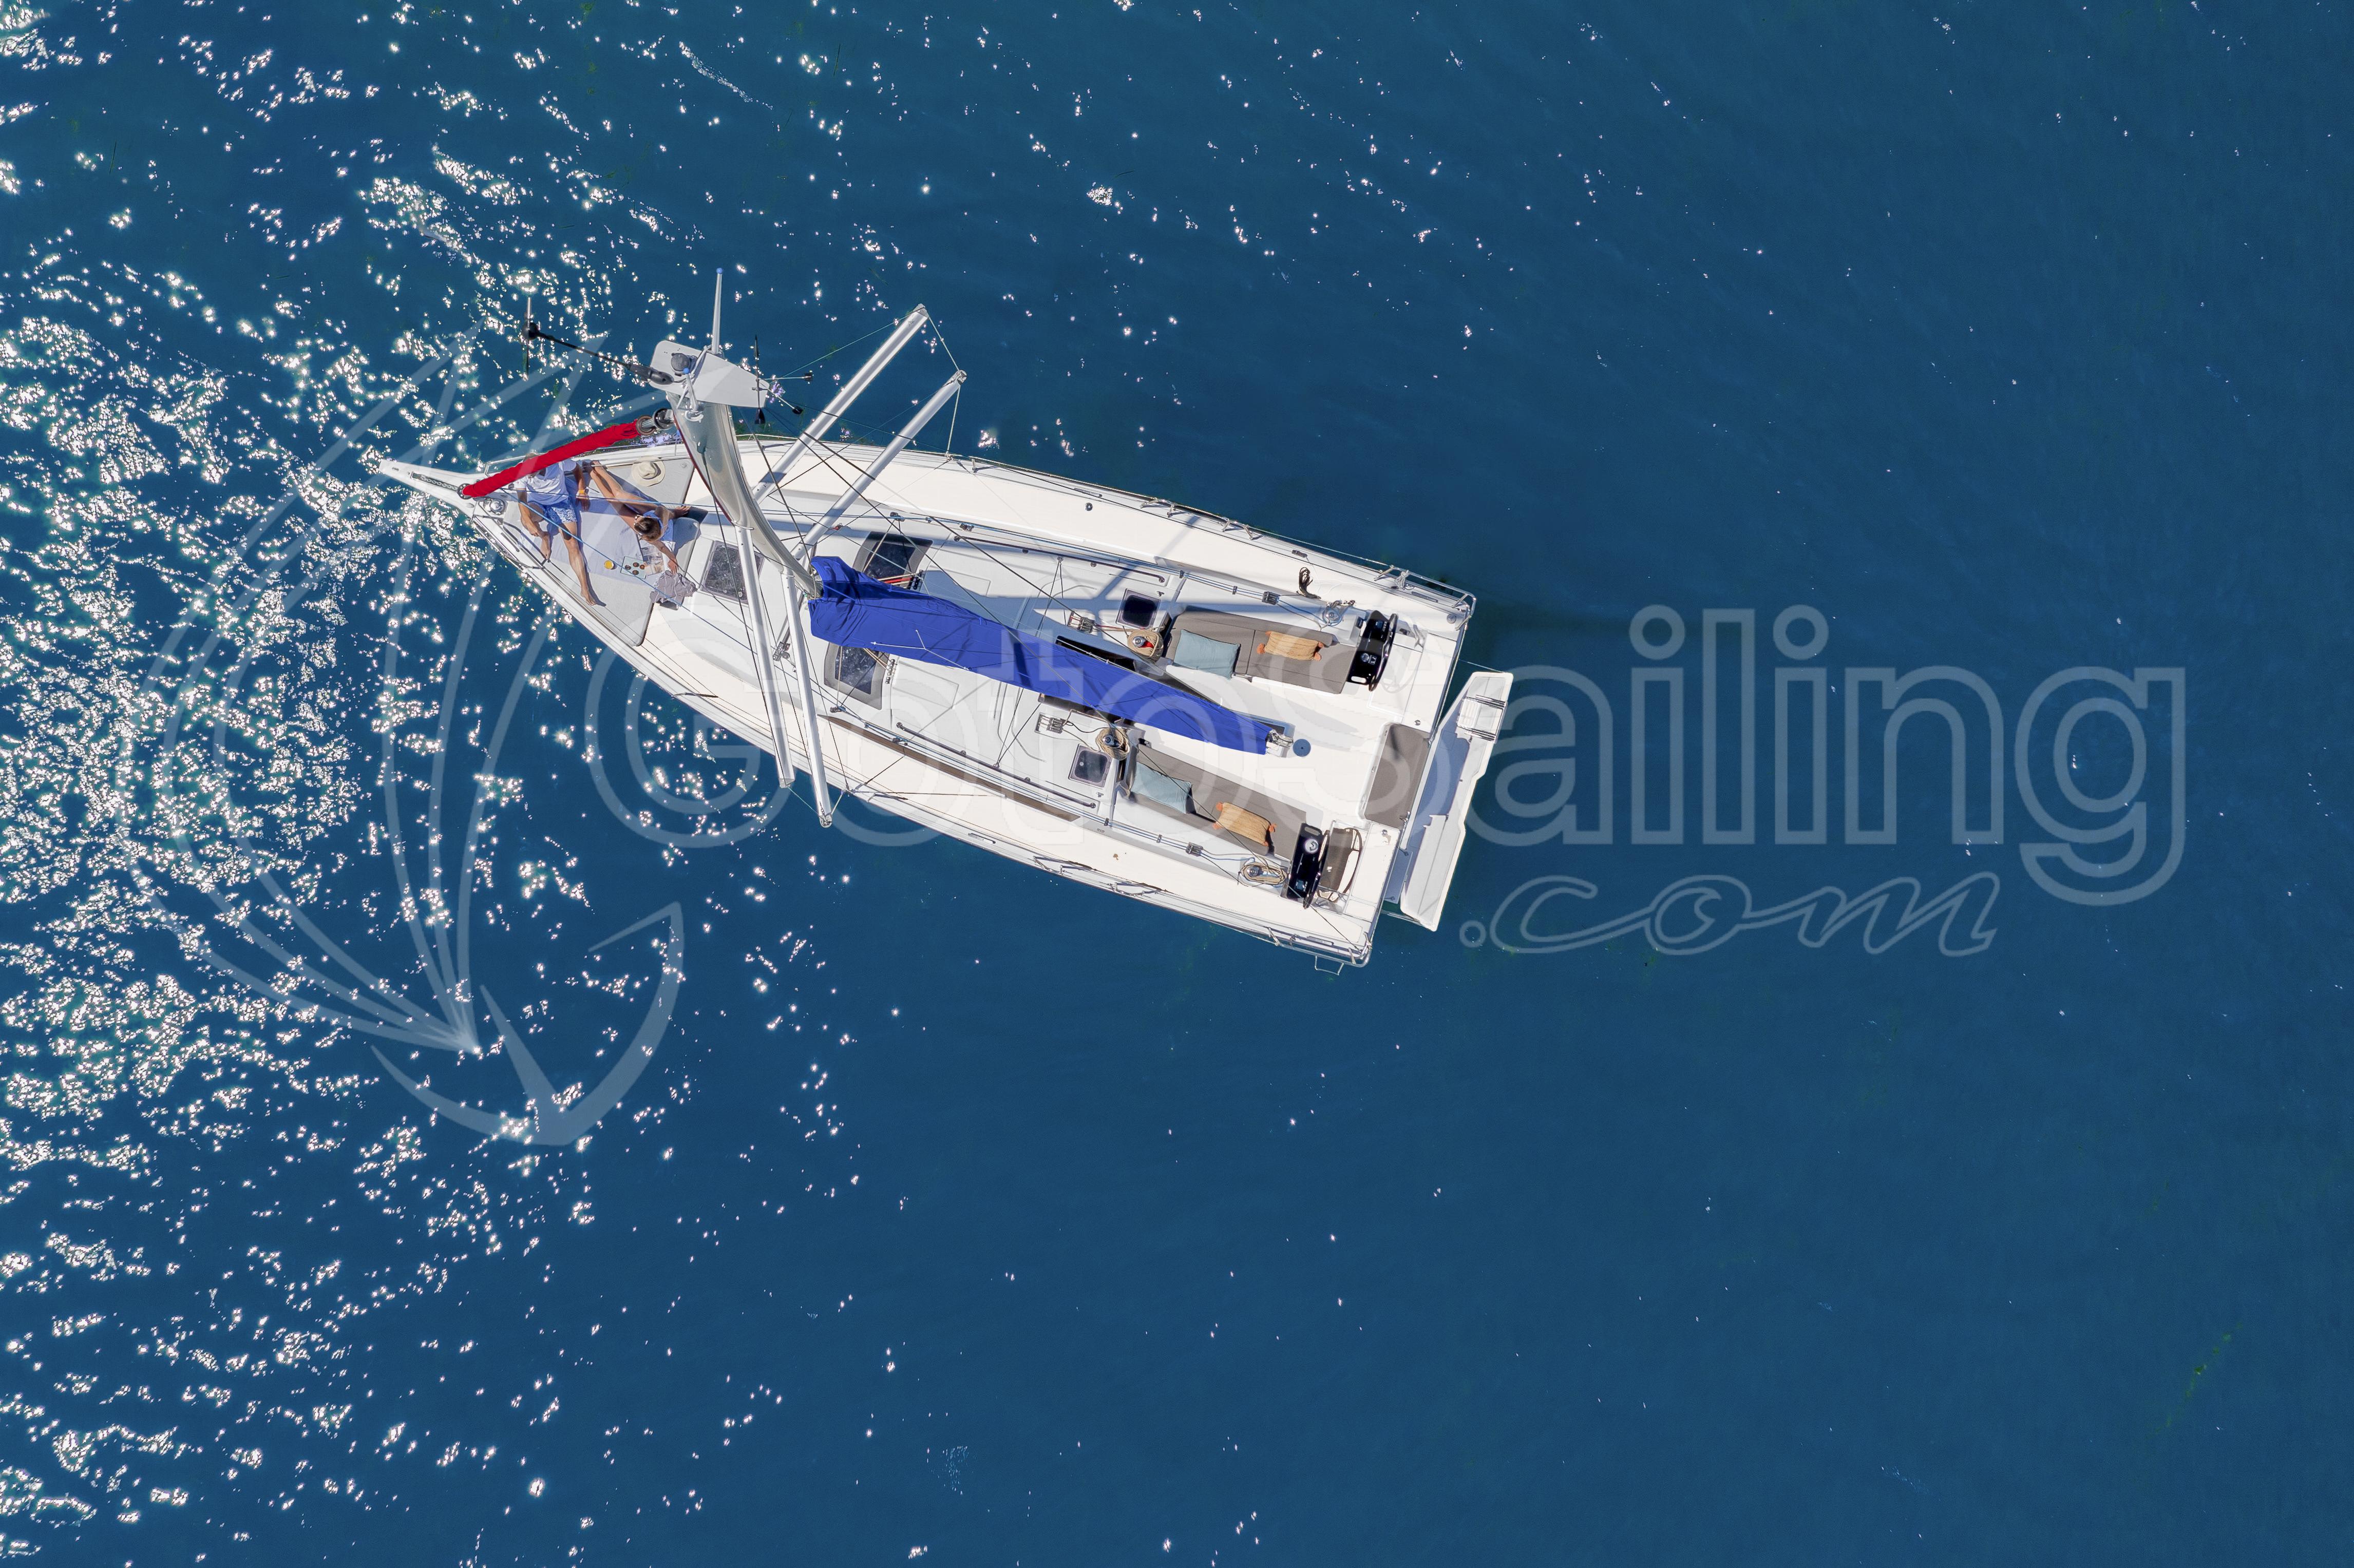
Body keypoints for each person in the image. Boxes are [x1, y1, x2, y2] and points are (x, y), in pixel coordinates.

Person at [516, 457, 604, 607]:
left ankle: (584, 588)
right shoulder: (522, 471)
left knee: (573, 544)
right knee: (525, 521)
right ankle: (545, 536)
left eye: (531, 473)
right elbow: (522, 498)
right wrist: (529, 522)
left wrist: (582, 490)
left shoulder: (558, 463)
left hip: (561, 504)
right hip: (538, 504)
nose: (528, 475)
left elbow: (577, 469)